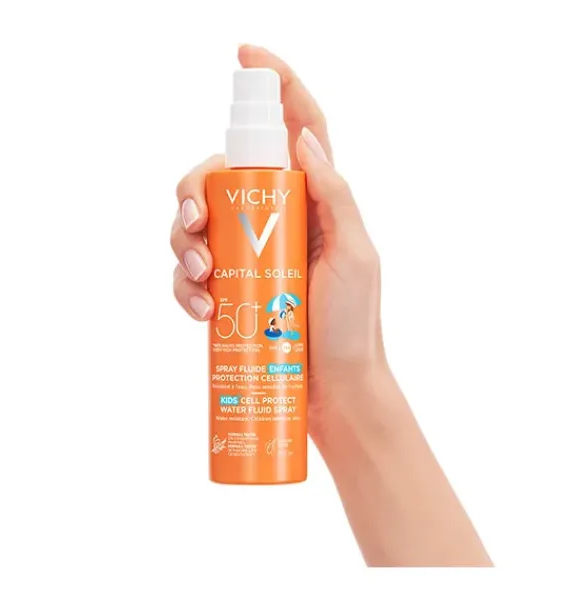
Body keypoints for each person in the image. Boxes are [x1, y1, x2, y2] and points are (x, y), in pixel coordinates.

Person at [170, 44, 493, 567]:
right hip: (244, 387)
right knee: (228, 299)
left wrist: (349, 383)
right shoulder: (231, 189)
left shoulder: (287, 191)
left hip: (289, 381)